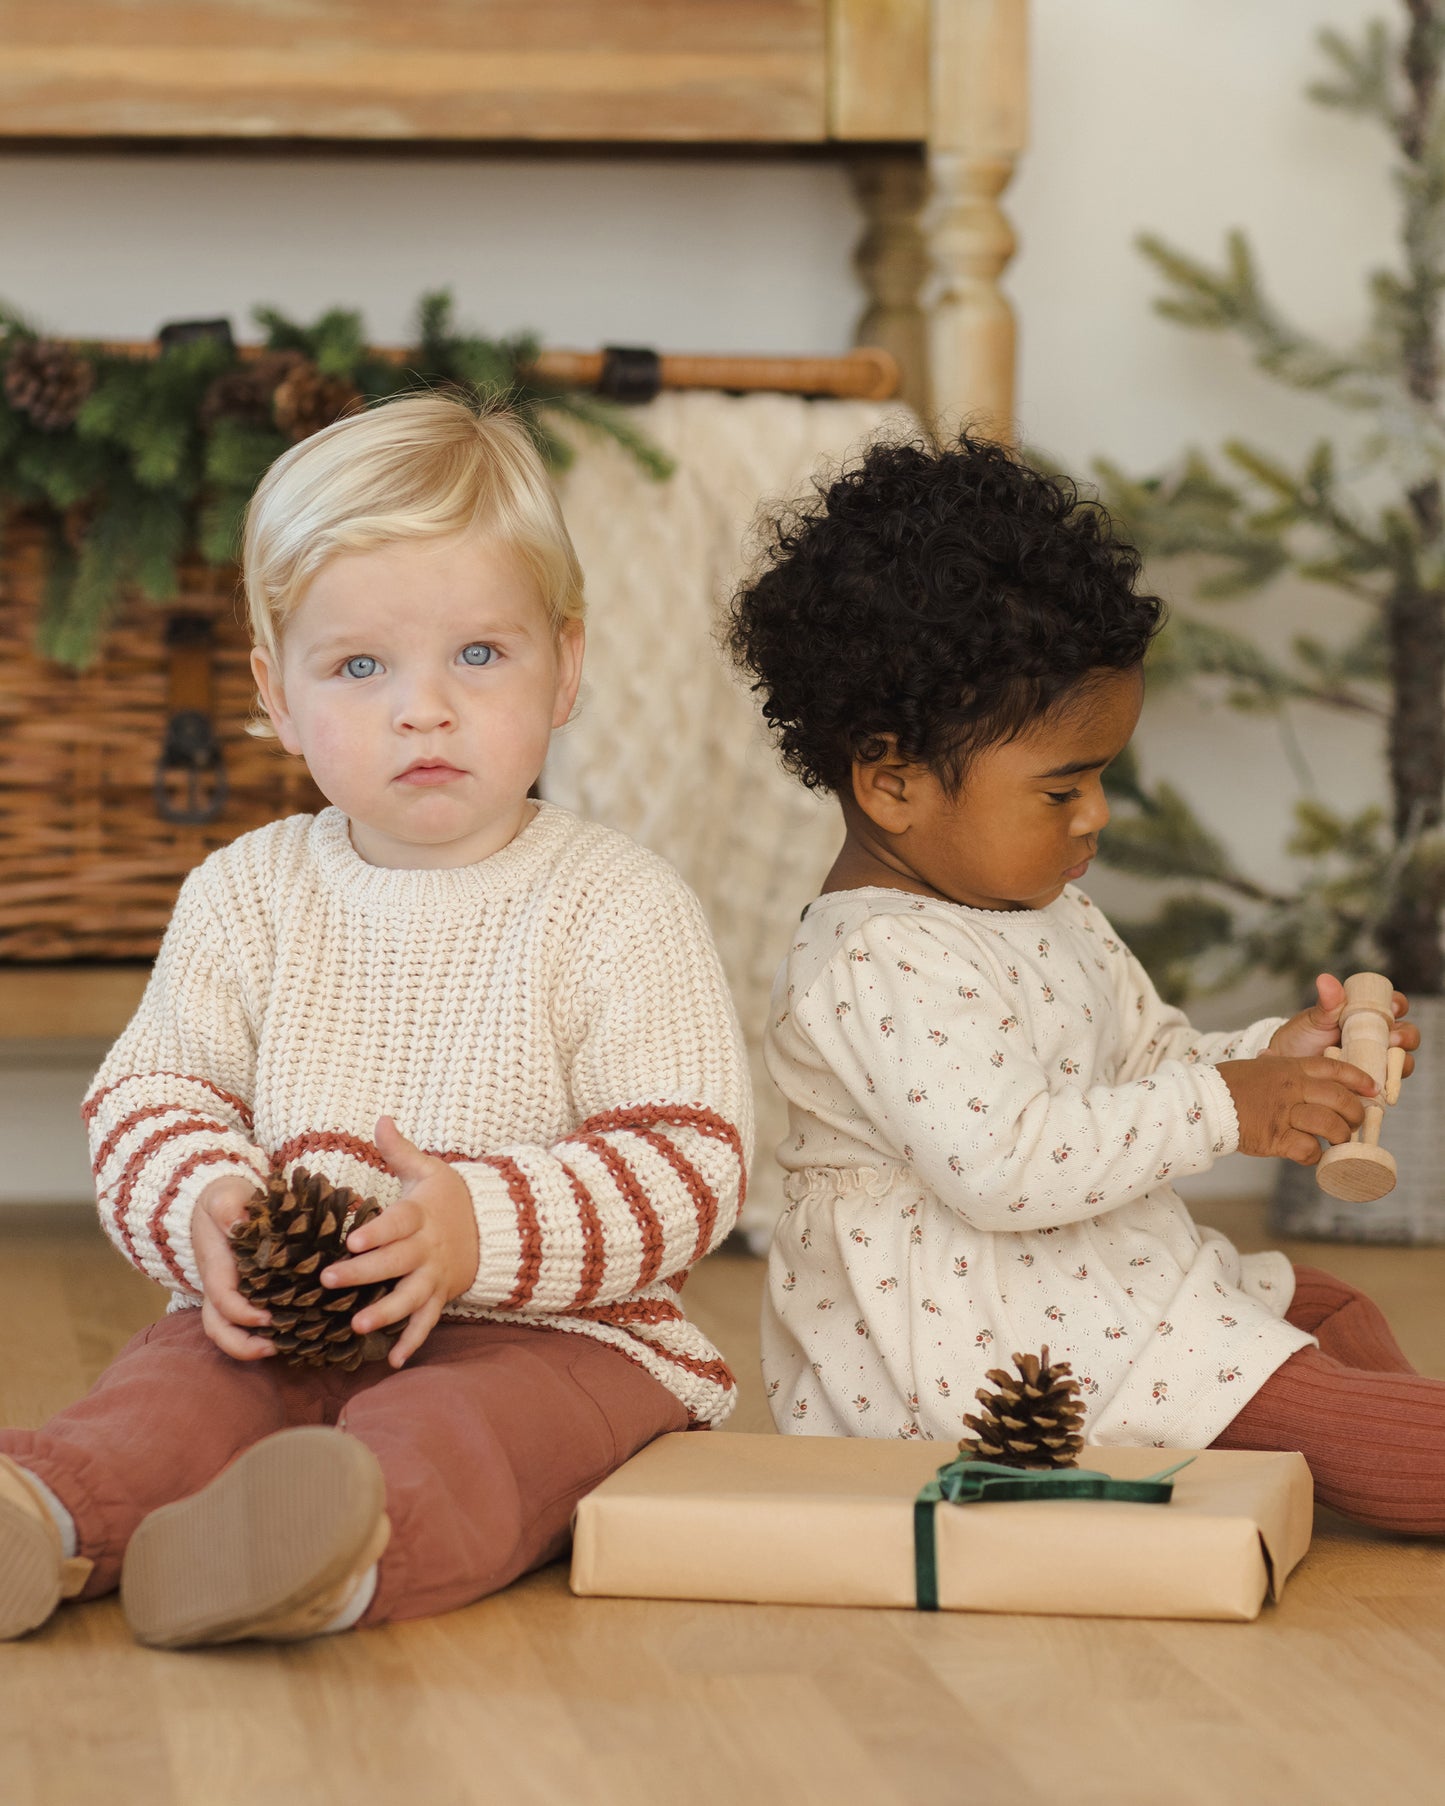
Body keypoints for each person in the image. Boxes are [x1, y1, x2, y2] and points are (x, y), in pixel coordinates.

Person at [0, 394, 751, 1645]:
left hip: (561, 1335)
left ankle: (324, 1557)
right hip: (298, 1321)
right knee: (173, 1393)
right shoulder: (247, 893)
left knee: (455, 1438)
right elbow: (152, 1097)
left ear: (564, 667)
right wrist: (206, 1212)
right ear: (277, 697)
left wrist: (478, 1228)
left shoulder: (615, 903)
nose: (423, 709)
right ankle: (50, 1513)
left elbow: (689, 1161)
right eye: (360, 667)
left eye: (477, 655)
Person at [726, 429, 1445, 1535]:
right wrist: (1227, 1108)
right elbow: (1006, 1164)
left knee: (1321, 1302)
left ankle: (1343, 1433)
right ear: (893, 782)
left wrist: (1270, 1062)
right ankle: (1366, 1443)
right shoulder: (877, 958)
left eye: (1100, 778)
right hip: (987, 1347)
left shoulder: (1039, 908)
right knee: (1313, 1394)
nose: (1095, 816)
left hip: (1083, 1281)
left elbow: (1138, 1068)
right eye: (1061, 789)